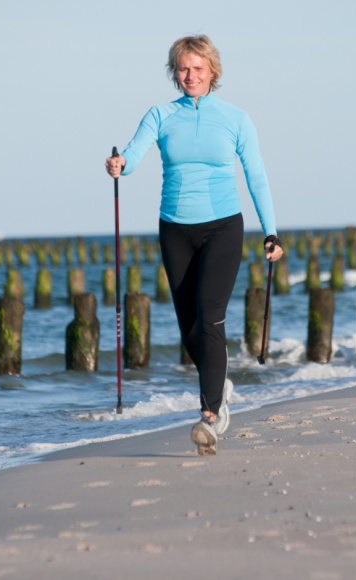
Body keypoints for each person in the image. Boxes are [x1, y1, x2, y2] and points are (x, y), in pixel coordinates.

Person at [106, 34, 283, 455]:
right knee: (188, 326)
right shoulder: (161, 115)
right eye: (183, 68)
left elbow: (256, 176)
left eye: (198, 69)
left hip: (223, 226)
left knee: (209, 315)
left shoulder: (236, 118)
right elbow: (133, 155)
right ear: (175, 72)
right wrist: (120, 164)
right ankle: (218, 382)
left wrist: (271, 231)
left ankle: (210, 415)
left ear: (212, 72)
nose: (190, 76)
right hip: (175, 228)